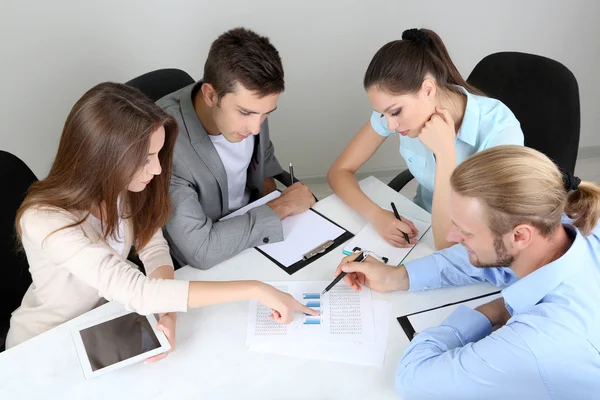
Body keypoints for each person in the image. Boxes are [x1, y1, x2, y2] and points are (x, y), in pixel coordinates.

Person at [6, 82, 318, 351]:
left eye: (157, 155)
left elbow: (153, 249)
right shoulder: (45, 221)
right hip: (45, 345)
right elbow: (137, 291)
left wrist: (166, 312)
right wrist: (256, 288)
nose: (156, 170)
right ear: (103, 159)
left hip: (107, 324)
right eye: (145, 159)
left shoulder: (122, 186)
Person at [334, 145, 600, 399]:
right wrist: (400, 276)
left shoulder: (533, 345)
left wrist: (492, 311)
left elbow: (413, 379)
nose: (451, 236)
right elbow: (499, 254)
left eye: (467, 232)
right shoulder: (560, 223)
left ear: (520, 235)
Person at [328, 28, 524, 250]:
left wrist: (445, 154)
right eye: (383, 114)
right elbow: (339, 172)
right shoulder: (397, 112)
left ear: (428, 89)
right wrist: (377, 216)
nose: (390, 124)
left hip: (473, 246)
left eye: (394, 112)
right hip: (420, 227)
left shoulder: (499, 132)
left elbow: (447, 245)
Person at [157, 27, 315, 270]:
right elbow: (201, 250)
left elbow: (265, 164)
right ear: (210, 95)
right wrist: (282, 206)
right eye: (245, 113)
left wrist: (274, 205)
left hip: (254, 230)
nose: (255, 128)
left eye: (266, 114)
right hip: (205, 259)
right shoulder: (164, 142)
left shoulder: (253, 106)